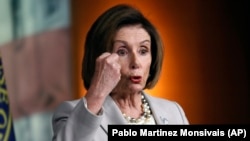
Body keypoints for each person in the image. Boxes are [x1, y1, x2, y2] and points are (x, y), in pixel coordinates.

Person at [52, 4, 189, 141]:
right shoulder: (72, 113)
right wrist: (98, 90)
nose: (136, 62)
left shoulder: (173, 111)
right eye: (122, 52)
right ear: (101, 59)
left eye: (143, 51)